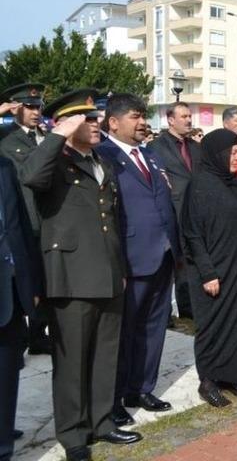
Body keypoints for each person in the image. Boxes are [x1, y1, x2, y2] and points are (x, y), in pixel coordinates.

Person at [21, 89, 140, 461]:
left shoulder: (101, 159)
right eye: (85, 119)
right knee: (72, 360)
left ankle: (102, 422)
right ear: (65, 123)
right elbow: (31, 178)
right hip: (71, 276)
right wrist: (58, 135)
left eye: (95, 118)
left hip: (106, 272)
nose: (94, 124)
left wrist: (119, 268)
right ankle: (73, 433)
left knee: (106, 354)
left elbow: (111, 222)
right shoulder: (54, 159)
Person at [96, 94, 181, 427]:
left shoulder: (151, 154)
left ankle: (141, 388)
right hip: (131, 258)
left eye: (144, 116)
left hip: (163, 254)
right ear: (113, 122)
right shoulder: (104, 156)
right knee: (124, 332)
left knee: (154, 327)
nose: (143, 122)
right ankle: (114, 398)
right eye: (135, 116)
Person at [182, 128, 237, 408]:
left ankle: (231, 376)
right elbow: (192, 235)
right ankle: (208, 381)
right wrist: (208, 273)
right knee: (214, 324)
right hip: (215, 269)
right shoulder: (198, 185)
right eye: (232, 153)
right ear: (216, 154)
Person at [0, 83, 53, 355]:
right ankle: (23, 332)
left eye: (38, 107)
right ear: (16, 108)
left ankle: (38, 334)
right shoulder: (6, 139)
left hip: (48, 220)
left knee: (44, 279)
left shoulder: (46, 135)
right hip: (24, 220)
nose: (35, 112)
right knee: (25, 278)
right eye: (29, 107)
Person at [0, 148, 43, 461]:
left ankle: (3, 437)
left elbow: (20, 227)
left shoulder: (4, 165)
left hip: (10, 287)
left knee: (6, 371)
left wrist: (32, 281)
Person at [148, 101, 200, 319]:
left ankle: (189, 311)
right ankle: (166, 313)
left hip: (195, 212)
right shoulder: (157, 147)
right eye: (184, 116)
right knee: (172, 264)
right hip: (171, 212)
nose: (189, 120)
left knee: (191, 263)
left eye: (189, 116)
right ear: (170, 119)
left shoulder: (196, 147)